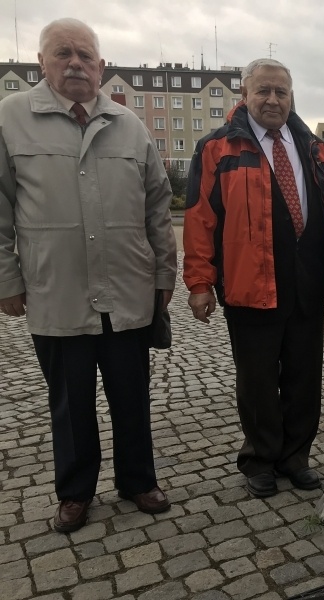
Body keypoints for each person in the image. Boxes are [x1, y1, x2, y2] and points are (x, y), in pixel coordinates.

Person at [0, 18, 177, 532]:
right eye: (63, 54)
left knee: (132, 395)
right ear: (42, 63)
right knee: (70, 402)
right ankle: (75, 492)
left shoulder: (130, 124)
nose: (75, 63)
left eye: (85, 56)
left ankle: (138, 480)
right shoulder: (11, 118)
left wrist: (164, 274)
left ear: (101, 67)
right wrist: (7, 280)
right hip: (57, 291)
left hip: (128, 289)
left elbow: (158, 206)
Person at [183, 58, 324, 498]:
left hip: (307, 284)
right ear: (245, 94)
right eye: (264, 91)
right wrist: (199, 283)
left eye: (281, 92)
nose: (273, 99)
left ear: (292, 97)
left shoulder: (313, 148)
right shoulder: (218, 148)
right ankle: (260, 458)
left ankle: (296, 457)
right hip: (249, 284)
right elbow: (199, 219)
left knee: (303, 378)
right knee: (256, 381)